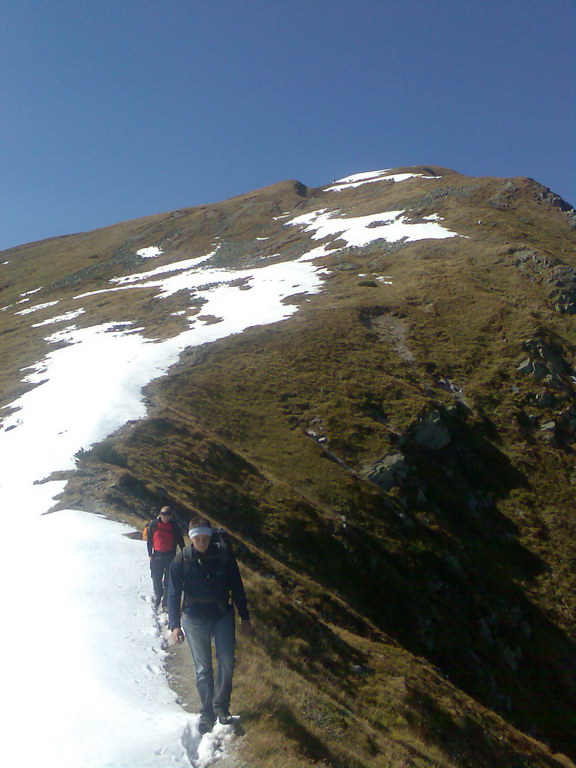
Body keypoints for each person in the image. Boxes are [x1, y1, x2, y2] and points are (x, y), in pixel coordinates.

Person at [168, 517, 253, 734]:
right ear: (191, 537)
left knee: (226, 661)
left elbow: (237, 586)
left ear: (210, 536)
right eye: (197, 538)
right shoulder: (181, 560)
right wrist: (175, 625)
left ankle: (221, 707)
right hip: (194, 618)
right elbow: (173, 593)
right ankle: (207, 712)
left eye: (205, 537)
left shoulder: (224, 555)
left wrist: (245, 617)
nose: (202, 541)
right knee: (203, 667)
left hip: (221, 614)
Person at [147, 506, 185, 610]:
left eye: (168, 516)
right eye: (164, 515)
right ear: (160, 515)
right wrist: (150, 554)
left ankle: (165, 603)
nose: (166, 518)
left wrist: (184, 552)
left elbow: (180, 540)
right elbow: (149, 540)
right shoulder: (154, 524)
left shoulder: (174, 526)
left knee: (168, 580)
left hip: (170, 555)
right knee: (156, 578)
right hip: (157, 555)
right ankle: (158, 596)